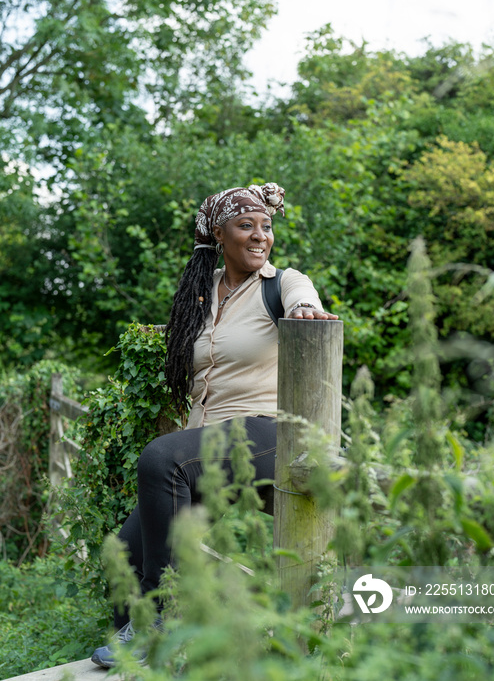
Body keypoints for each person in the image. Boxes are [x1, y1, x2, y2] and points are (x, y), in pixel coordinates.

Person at [91, 183, 338, 668]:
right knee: (121, 552)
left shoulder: (281, 283)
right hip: (208, 445)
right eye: (246, 226)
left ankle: (162, 619)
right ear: (219, 236)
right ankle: (151, 634)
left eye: (266, 226)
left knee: (160, 458)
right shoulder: (202, 298)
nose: (259, 236)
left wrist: (305, 309)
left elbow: (301, 296)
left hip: (269, 432)